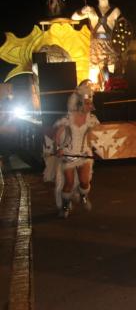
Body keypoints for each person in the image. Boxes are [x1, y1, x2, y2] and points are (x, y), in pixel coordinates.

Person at [43, 80, 100, 218]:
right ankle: (65, 205)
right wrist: (59, 149)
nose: (89, 105)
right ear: (79, 104)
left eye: (89, 103)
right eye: (86, 103)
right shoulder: (68, 119)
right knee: (68, 182)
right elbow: (57, 137)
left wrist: (96, 149)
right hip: (68, 154)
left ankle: (83, 197)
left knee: (84, 182)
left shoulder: (91, 120)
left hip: (84, 154)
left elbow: (93, 137)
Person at [71, 0, 121, 76]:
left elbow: (122, 29)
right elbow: (73, 17)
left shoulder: (115, 11)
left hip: (110, 46)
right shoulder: (92, 10)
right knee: (93, 73)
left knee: (110, 75)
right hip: (95, 47)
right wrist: (82, 11)